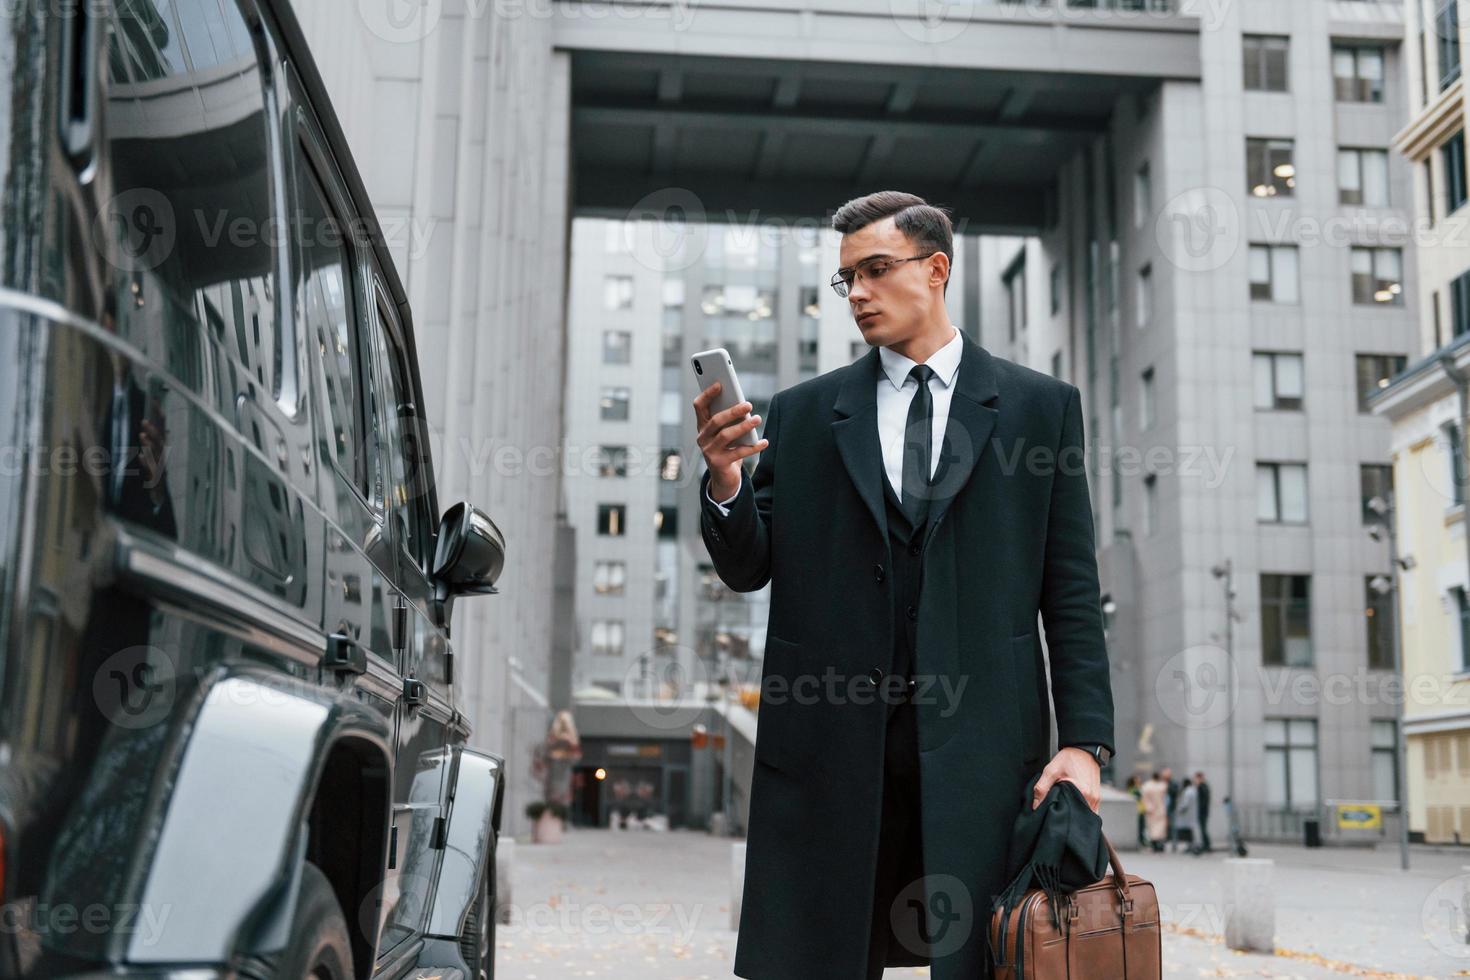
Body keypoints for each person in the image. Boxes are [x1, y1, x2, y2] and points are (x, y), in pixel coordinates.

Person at [694, 191, 1115, 980]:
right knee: (821, 959)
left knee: (984, 961)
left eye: (875, 270)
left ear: (937, 269)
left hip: (985, 753)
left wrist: (1085, 744)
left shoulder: (1038, 410)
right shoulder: (806, 415)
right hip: (831, 752)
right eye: (845, 278)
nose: (856, 292)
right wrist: (724, 481)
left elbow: (1071, 592)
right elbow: (748, 565)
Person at [1141, 772, 1169, 852]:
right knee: (1160, 828)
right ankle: (1159, 844)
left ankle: (1154, 844)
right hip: (1160, 809)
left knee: (1151, 827)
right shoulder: (1162, 786)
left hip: (1151, 809)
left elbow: (1144, 798)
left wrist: (1147, 807)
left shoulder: (1147, 786)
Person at [1175, 777, 1202, 856]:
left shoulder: (1188, 792)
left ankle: (1193, 847)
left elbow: (1185, 804)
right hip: (1192, 814)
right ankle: (1194, 846)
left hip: (1188, 815)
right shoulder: (1193, 790)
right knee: (1193, 831)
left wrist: (1179, 810)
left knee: (1191, 832)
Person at [1194, 770, 1213, 853]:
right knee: (1203, 829)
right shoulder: (1204, 786)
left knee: (1203, 829)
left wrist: (1201, 809)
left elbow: (1204, 800)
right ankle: (1206, 844)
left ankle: (1206, 845)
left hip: (1202, 811)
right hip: (1203, 811)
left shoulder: (1202, 786)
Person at [1126, 775, 1146, 848]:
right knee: (1140, 827)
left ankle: (1141, 842)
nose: (1139, 780)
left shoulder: (1134, 788)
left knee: (1141, 827)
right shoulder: (1135, 790)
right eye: (1137, 779)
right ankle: (1141, 842)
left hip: (1140, 809)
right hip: (1138, 810)